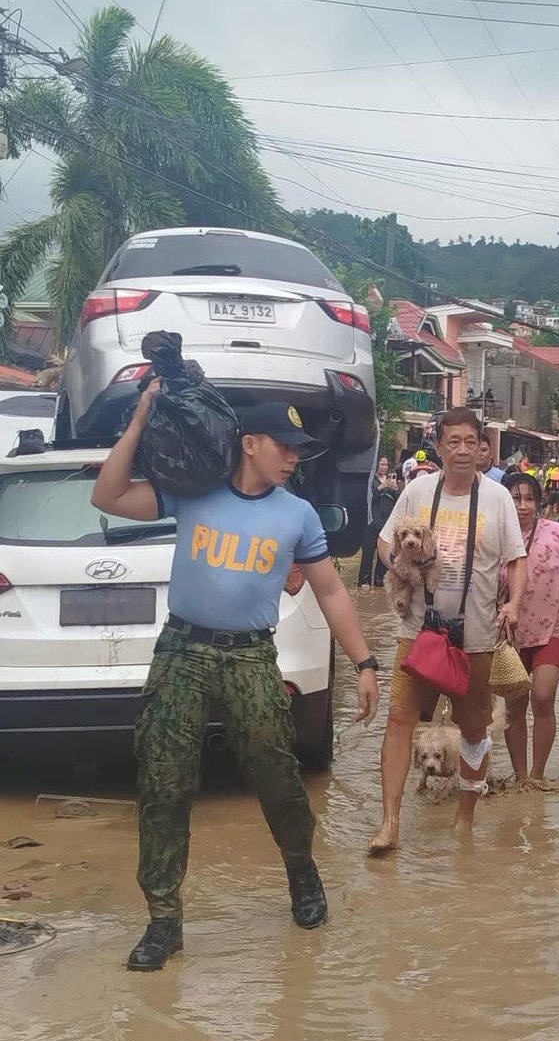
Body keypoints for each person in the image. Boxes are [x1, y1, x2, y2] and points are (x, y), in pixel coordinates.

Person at [92, 389, 380, 971]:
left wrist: (366, 663)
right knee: (165, 782)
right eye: (285, 445)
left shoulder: (295, 513)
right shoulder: (194, 492)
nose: (295, 457)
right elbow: (110, 495)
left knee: (277, 774)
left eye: (301, 449)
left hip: (250, 656)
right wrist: (142, 418)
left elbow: (329, 590)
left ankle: (301, 868)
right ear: (249, 444)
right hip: (183, 651)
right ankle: (164, 920)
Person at [369, 407, 527, 854]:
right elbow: (385, 540)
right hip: (416, 632)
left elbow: (517, 560)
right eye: (451, 441)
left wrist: (514, 603)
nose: (461, 450)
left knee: (474, 727)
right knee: (400, 719)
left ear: (483, 449)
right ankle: (390, 822)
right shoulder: (417, 490)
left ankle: (464, 820)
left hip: (475, 636)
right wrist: (396, 564)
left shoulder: (497, 498)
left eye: (469, 442)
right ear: (438, 447)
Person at [500, 472, 559, 783]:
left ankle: (537, 776)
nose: (522, 506)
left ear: (538, 502)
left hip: (554, 628)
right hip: (510, 634)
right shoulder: (494, 535)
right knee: (514, 705)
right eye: (515, 498)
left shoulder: (557, 533)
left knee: (543, 696)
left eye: (528, 499)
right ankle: (520, 777)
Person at [358, 456, 399, 590]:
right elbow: (368, 498)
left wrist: (396, 489)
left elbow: (398, 502)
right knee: (368, 553)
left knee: (384, 553)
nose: (384, 467)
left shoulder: (391, 481)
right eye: (382, 464)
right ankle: (364, 581)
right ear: (376, 466)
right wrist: (381, 487)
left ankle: (379, 580)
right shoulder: (371, 481)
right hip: (372, 522)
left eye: (386, 465)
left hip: (386, 523)